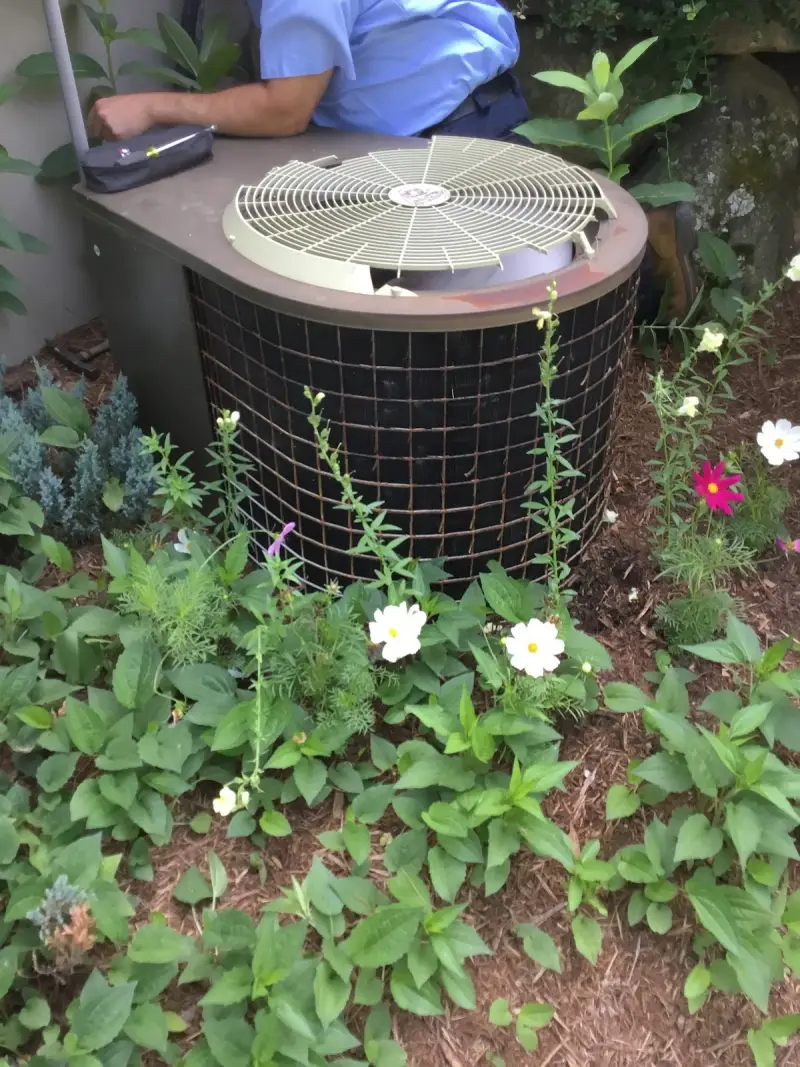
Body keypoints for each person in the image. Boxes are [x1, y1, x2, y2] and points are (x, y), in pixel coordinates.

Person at [87, 0, 696, 317]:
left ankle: (643, 274)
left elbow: (286, 108)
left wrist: (153, 108)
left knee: (508, 321)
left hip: (439, 142)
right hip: (468, 108)